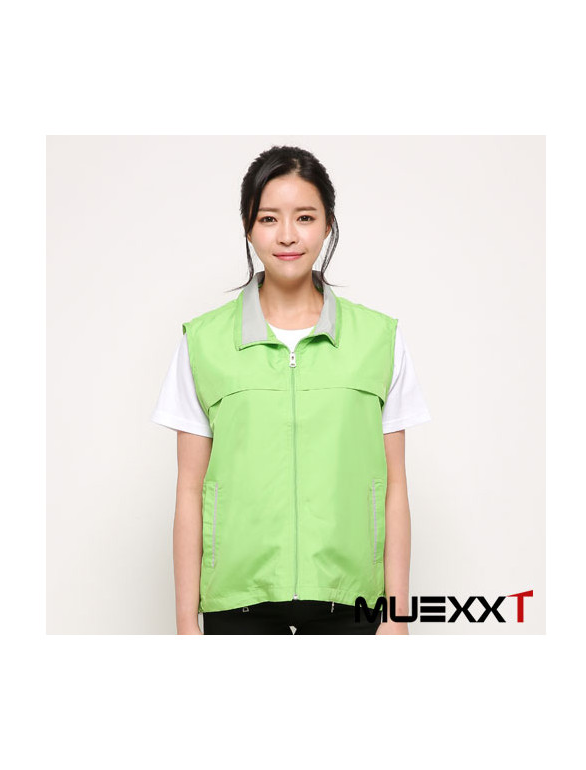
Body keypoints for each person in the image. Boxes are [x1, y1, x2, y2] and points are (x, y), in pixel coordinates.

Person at [151, 145, 431, 635]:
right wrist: (185, 623)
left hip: (352, 604)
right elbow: (190, 490)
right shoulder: (204, 343)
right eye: (268, 218)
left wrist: (396, 616)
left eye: (304, 217)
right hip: (238, 604)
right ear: (248, 226)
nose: (286, 235)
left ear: (328, 225)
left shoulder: (378, 341)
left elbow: (394, 486)